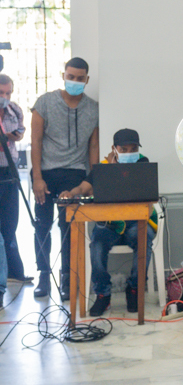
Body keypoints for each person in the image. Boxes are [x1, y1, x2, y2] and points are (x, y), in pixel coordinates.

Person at [59, 128, 156, 316]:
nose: (129, 153)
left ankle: (134, 289)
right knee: (96, 245)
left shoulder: (143, 163)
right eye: (124, 149)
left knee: (143, 239)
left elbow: (138, 189)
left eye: (133, 148)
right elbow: (84, 187)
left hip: (137, 222)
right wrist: (71, 193)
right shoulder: (103, 167)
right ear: (114, 148)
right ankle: (103, 294)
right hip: (110, 224)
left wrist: (116, 170)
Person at [31, 57, 99, 300]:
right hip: (46, 173)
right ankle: (42, 275)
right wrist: (37, 178)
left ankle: (67, 278)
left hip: (75, 175)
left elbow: (93, 147)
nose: (75, 81)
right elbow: (36, 141)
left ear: (86, 80)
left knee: (69, 227)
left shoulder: (93, 108)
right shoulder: (45, 103)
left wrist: (93, 180)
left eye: (80, 78)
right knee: (42, 225)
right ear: (64, 75)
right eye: (71, 77)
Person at [0, 74, 30, 283]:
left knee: (10, 223)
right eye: (1, 93)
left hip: (9, 171)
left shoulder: (15, 110)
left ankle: (14, 273)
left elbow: (19, 132)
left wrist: (12, 135)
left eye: (8, 93)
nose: (5, 97)